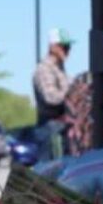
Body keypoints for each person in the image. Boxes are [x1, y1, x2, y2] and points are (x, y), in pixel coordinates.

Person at [33, 28, 74, 159]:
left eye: (69, 47)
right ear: (52, 47)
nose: (68, 50)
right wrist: (73, 94)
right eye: (64, 46)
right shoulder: (44, 69)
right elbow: (51, 98)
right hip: (50, 128)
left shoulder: (60, 69)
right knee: (51, 173)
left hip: (61, 127)